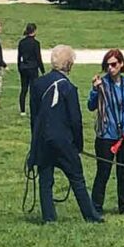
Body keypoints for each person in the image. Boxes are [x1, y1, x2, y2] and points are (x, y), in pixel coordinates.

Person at [28, 45, 103, 224]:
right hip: (63, 141)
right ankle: (91, 216)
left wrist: (35, 143)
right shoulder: (69, 88)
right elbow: (75, 120)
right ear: (68, 64)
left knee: (45, 180)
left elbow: (34, 117)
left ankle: (49, 218)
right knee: (77, 178)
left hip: (43, 140)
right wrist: (78, 145)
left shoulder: (37, 84)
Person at [87, 49, 124, 216]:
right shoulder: (102, 84)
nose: (110, 68)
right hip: (106, 135)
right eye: (107, 65)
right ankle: (95, 207)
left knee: (123, 172)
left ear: (121, 64)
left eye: (113, 64)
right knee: (103, 172)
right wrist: (95, 91)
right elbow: (91, 106)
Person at [17, 23, 44, 116]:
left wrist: (19, 67)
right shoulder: (36, 43)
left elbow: (19, 57)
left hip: (23, 67)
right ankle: (34, 108)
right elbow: (38, 57)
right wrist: (42, 70)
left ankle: (22, 110)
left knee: (24, 89)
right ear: (34, 31)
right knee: (33, 89)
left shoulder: (21, 43)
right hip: (33, 68)